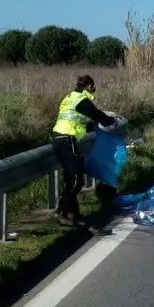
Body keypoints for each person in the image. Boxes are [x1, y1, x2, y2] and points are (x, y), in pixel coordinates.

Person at [51, 74, 118, 227]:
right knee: (77, 180)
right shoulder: (82, 99)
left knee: (71, 180)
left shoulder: (69, 97)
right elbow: (96, 114)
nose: (94, 91)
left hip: (60, 139)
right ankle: (60, 212)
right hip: (67, 139)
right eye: (93, 88)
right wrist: (112, 121)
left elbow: (79, 120)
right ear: (88, 86)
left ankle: (72, 216)